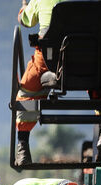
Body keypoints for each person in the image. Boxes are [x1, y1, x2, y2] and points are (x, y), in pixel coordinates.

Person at [14, 0, 63, 166]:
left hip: (48, 63)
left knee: (27, 91)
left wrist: (24, 8)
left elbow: (25, 20)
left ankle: (23, 146)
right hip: (87, 64)